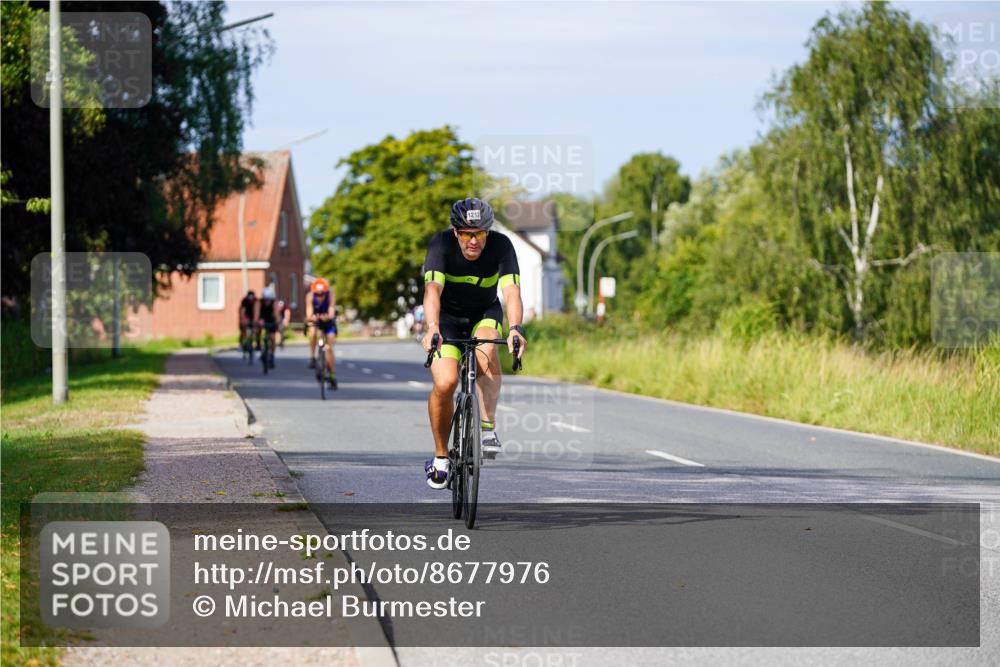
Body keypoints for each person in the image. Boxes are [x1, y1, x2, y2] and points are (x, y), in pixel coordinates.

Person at [420, 197, 526, 489]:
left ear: (487, 232)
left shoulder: (502, 246)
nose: (473, 240)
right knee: (445, 383)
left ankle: (488, 428)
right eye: (467, 233)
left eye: (479, 232)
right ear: (455, 232)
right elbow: (432, 290)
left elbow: (512, 292)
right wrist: (431, 328)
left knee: (489, 346)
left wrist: (515, 328)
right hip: (447, 318)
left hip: (484, 312)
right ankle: (441, 458)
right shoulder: (440, 244)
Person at [306, 277, 337, 389]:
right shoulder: (310, 296)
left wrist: (327, 316)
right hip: (316, 321)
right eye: (317, 294)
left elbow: (331, 311)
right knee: (312, 331)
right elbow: (309, 312)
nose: (319, 296)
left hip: (328, 322)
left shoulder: (331, 295)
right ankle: (312, 357)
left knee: (329, 347)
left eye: (322, 294)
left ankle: (332, 374)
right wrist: (312, 317)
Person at [257, 286, 280, 368]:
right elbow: (257, 313)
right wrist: (258, 321)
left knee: (272, 338)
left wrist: (277, 323)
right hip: (262, 319)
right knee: (258, 331)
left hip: (271, 320)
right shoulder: (259, 303)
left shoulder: (274, 303)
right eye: (265, 299)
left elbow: (276, 314)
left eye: (268, 299)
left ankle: (272, 356)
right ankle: (259, 346)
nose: (267, 301)